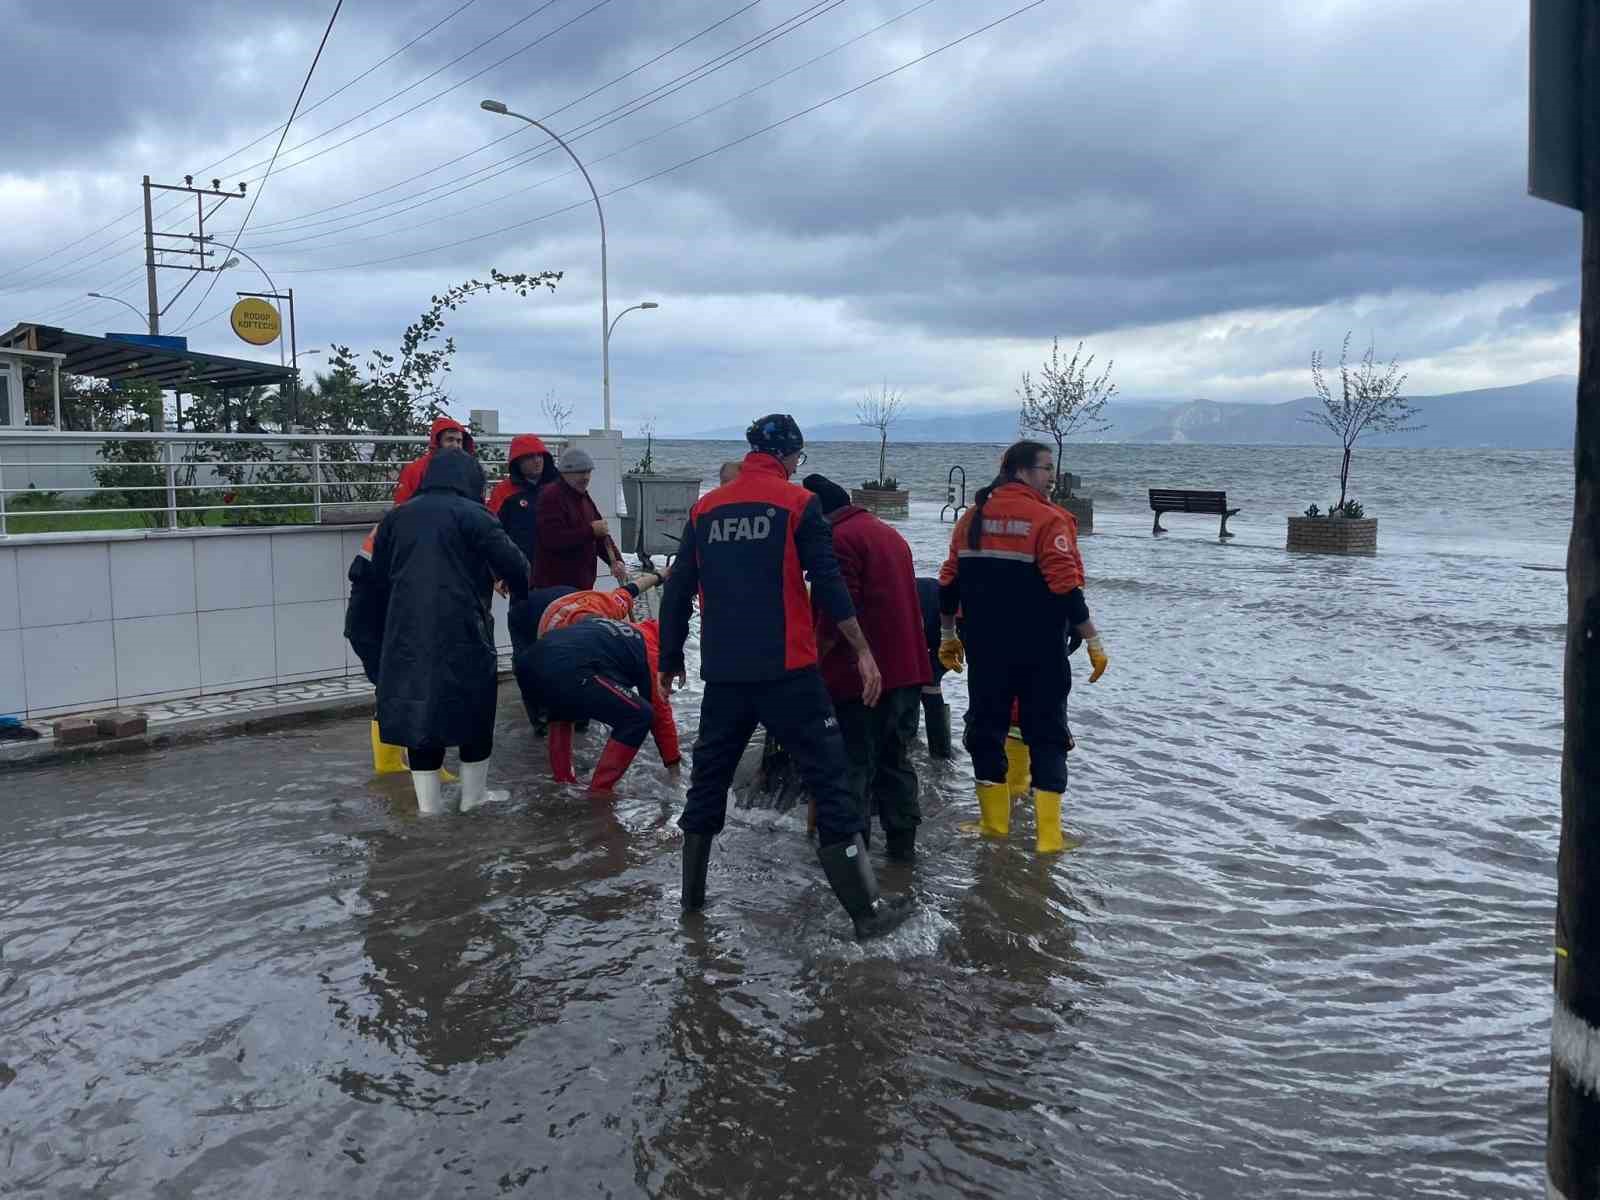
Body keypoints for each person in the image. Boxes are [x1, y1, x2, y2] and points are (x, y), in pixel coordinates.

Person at [659, 413, 914, 941]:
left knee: (708, 782)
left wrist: (668, 659)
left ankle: (692, 905)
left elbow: (678, 588)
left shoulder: (706, 508)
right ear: (791, 457)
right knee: (831, 781)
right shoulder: (800, 504)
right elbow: (829, 584)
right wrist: (863, 651)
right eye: (799, 457)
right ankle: (866, 915)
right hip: (790, 673)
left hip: (725, 674)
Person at [936, 440, 1108, 853]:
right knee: (1046, 734)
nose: (1052, 476)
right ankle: (1049, 838)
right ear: (1021, 471)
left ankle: (994, 825)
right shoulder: (1048, 520)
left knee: (985, 729)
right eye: (1046, 468)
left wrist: (947, 635)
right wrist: (1092, 640)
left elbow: (948, 583)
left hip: (986, 649)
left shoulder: (972, 519)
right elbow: (1065, 586)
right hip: (1041, 652)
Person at [362, 448, 530, 815]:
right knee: (475, 713)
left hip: (406, 635)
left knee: (422, 715)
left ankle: (428, 808)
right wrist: (514, 585)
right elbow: (517, 566)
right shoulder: (476, 516)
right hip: (464, 632)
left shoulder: (396, 518)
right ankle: (473, 798)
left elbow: (373, 576)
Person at [802, 474, 931, 862]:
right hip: (909, 672)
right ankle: (902, 852)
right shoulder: (889, 535)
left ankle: (854, 862)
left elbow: (838, 615)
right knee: (896, 762)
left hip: (862, 679)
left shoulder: (837, 541)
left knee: (853, 767)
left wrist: (811, 661)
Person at [515, 616, 681, 791]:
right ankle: (599, 791)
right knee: (640, 715)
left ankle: (563, 782)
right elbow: (661, 713)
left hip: (527, 666)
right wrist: (674, 771)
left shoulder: (619, 629)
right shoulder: (651, 650)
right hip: (568, 668)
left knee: (564, 707)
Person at [534, 447, 630, 590]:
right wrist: (591, 531)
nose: (586, 477)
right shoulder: (551, 496)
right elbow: (552, 539)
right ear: (565, 473)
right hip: (556, 586)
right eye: (580, 472)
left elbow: (601, 534)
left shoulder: (582, 496)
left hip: (582, 585)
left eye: (588, 472)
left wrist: (616, 561)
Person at [488, 433, 560, 562]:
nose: (537, 460)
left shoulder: (559, 487)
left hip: (555, 566)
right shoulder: (503, 491)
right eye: (530, 456)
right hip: (519, 567)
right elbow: (491, 532)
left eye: (539, 455)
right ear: (518, 460)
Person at [393, 416, 476, 506]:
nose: (455, 445)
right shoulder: (415, 469)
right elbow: (400, 507)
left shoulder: (470, 469)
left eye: (459, 441)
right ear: (437, 442)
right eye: (450, 439)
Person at [915, 577, 953, 759]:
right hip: (921, 625)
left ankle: (942, 755)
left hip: (948, 632)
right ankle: (910, 742)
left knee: (930, 684)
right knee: (911, 683)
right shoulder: (925, 594)